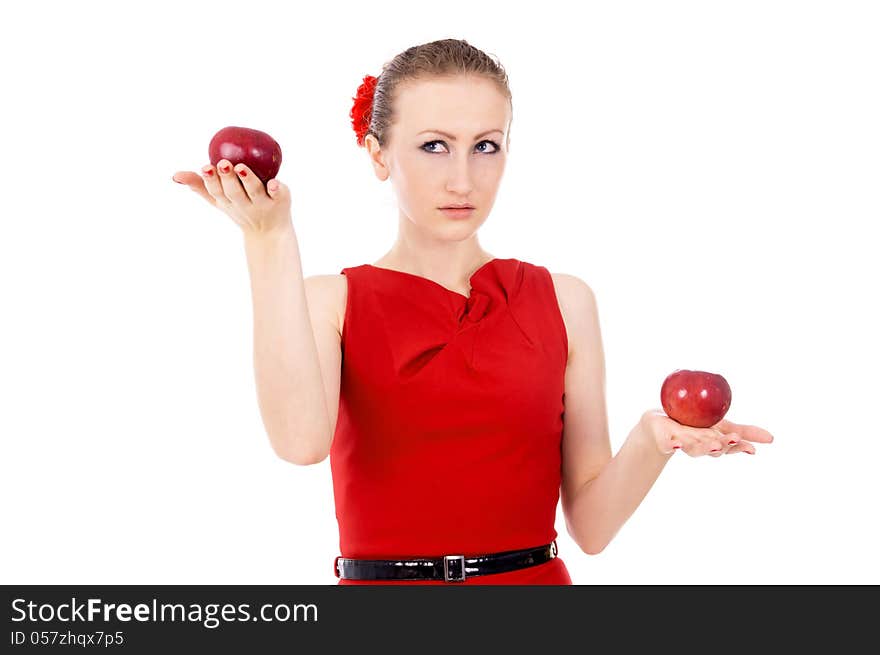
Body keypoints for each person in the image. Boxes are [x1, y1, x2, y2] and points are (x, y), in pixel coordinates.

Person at [172, 38, 774, 585]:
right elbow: (300, 443)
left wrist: (653, 438)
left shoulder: (565, 300)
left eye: (485, 146)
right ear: (378, 155)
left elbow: (591, 527)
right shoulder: (331, 301)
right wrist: (268, 238)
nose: (463, 178)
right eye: (434, 146)